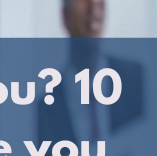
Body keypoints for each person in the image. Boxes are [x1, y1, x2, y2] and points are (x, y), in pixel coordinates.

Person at [35, 0, 145, 148]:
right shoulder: (42, 113)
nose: (94, 8)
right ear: (65, 16)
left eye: (100, 1)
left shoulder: (136, 81)